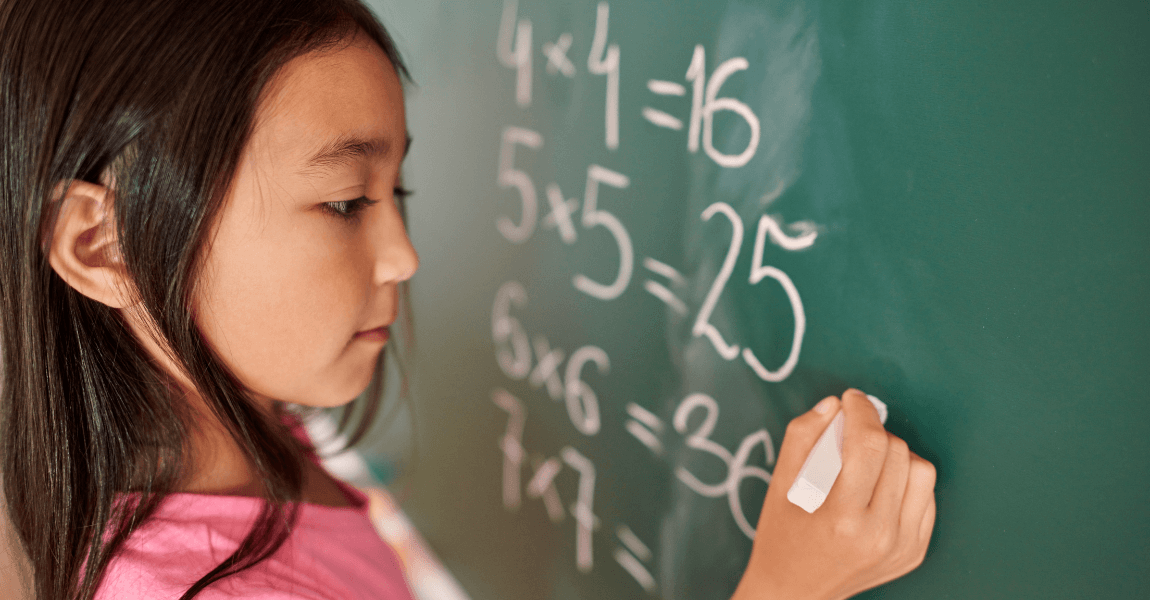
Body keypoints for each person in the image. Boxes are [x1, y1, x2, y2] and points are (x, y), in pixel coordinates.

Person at [0, 0, 936, 598]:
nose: (404, 255)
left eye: (395, 194)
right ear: (100, 244)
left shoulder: (248, 433)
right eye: (343, 203)